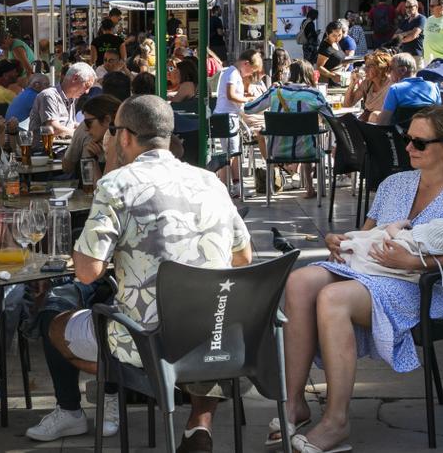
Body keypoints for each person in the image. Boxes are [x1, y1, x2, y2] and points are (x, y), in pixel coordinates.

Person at [26, 95, 251, 447]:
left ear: (126, 136)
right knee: (202, 321)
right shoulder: (210, 181)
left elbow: (87, 271)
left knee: (55, 325)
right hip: (217, 335)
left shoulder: (117, 185)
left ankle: (130, 385)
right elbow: (244, 258)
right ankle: (198, 423)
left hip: (146, 340)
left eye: (113, 131)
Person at [279, 107, 443, 453]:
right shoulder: (396, 183)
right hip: (372, 271)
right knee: (299, 282)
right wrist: (342, 241)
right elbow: (365, 235)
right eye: (407, 139)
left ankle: (336, 421)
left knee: (332, 298)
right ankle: (294, 403)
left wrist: (415, 260)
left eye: (419, 143)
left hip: (421, 285)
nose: (408, 147)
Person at [245, 60, 334, 198]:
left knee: (301, 137)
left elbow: (249, 109)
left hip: (277, 151)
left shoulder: (276, 92)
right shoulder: (314, 95)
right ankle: (310, 188)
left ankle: (277, 183)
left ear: (289, 75)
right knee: (306, 137)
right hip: (307, 151)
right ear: (310, 75)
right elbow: (331, 119)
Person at [213, 48, 263, 196]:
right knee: (232, 153)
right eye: (251, 70)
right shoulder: (233, 73)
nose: (250, 74)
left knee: (230, 152)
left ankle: (229, 185)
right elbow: (230, 95)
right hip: (227, 117)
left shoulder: (231, 72)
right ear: (246, 63)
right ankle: (235, 185)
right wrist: (248, 99)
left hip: (227, 116)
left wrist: (245, 94)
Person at [28, 62, 96, 143]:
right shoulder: (49, 96)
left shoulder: (71, 99)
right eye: (87, 85)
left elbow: (68, 124)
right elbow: (53, 129)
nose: (87, 92)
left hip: (63, 148)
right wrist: (83, 133)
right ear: (75, 78)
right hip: (45, 152)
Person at [61, 94, 121, 176]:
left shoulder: (124, 145)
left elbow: (105, 187)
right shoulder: (86, 132)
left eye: (88, 123)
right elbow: (66, 167)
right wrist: (93, 160)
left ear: (107, 119)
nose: (85, 128)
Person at [377, 53, 440, 126]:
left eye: (390, 69)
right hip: (428, 133)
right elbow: (439, 115)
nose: (388, 73)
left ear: (403, 70)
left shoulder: (395, 89)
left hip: (402, 134)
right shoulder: (433, 87)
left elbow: (383, 121)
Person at [343, 49, 393, 123]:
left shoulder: (391, 84)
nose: (365, 69)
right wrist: (352, 84)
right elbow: (347, 104)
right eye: (365, 66)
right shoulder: (367, 83)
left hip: (384, 122)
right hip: (369, 120)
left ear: (380, 68)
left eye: (369, 66)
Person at [392, 0, 426, 67]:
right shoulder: (405, 21)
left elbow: (413, 36)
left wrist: (401, 38)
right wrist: (408, 32)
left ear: (416, 7)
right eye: (406, 7)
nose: (408, 9)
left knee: (417, 76)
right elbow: (394, 37)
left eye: (410, 7)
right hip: (405, 55)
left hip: (417, 55)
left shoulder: (421, 19)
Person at [314, 21, 349, 87]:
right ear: (327, 34)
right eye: (334, 35)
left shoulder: (335, 42)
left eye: (339, 35)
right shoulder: (325, 48)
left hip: (339, 80)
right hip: (329, 82)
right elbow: (319, 67)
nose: (337, 38)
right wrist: (332, 75)